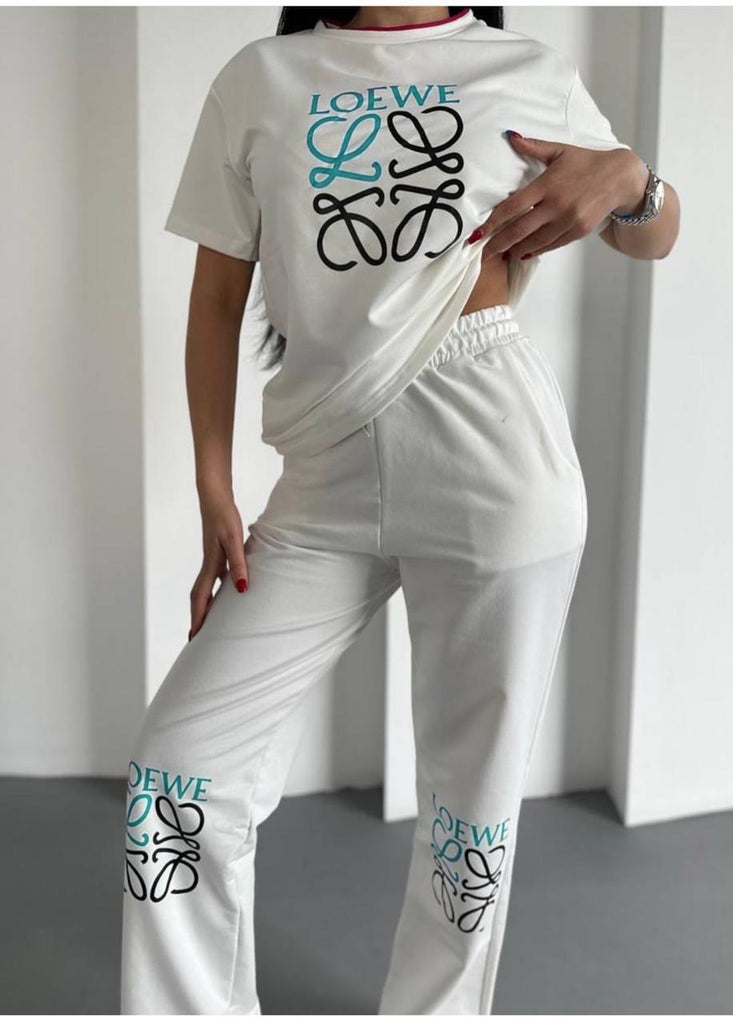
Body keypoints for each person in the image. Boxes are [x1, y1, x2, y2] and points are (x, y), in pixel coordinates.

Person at [119, 6, 679, 1015]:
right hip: (321, 469)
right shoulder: (260, 77)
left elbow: (652, 239)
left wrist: (634, 179)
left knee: (470, 811)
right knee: (177, 774)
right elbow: (216, 298)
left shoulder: (522, 66)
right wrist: (213, 482)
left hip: (490, 454)